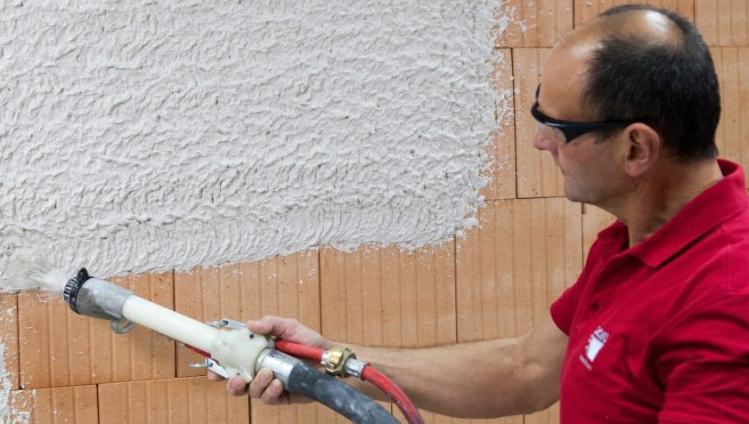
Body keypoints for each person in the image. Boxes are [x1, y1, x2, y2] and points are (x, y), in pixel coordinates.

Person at [209, 4, 749, 423]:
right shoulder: (634, 242)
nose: (540, 142)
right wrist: (334, 363)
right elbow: (526, 370)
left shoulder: (726, 303)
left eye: (559, 128)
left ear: (635, 148)